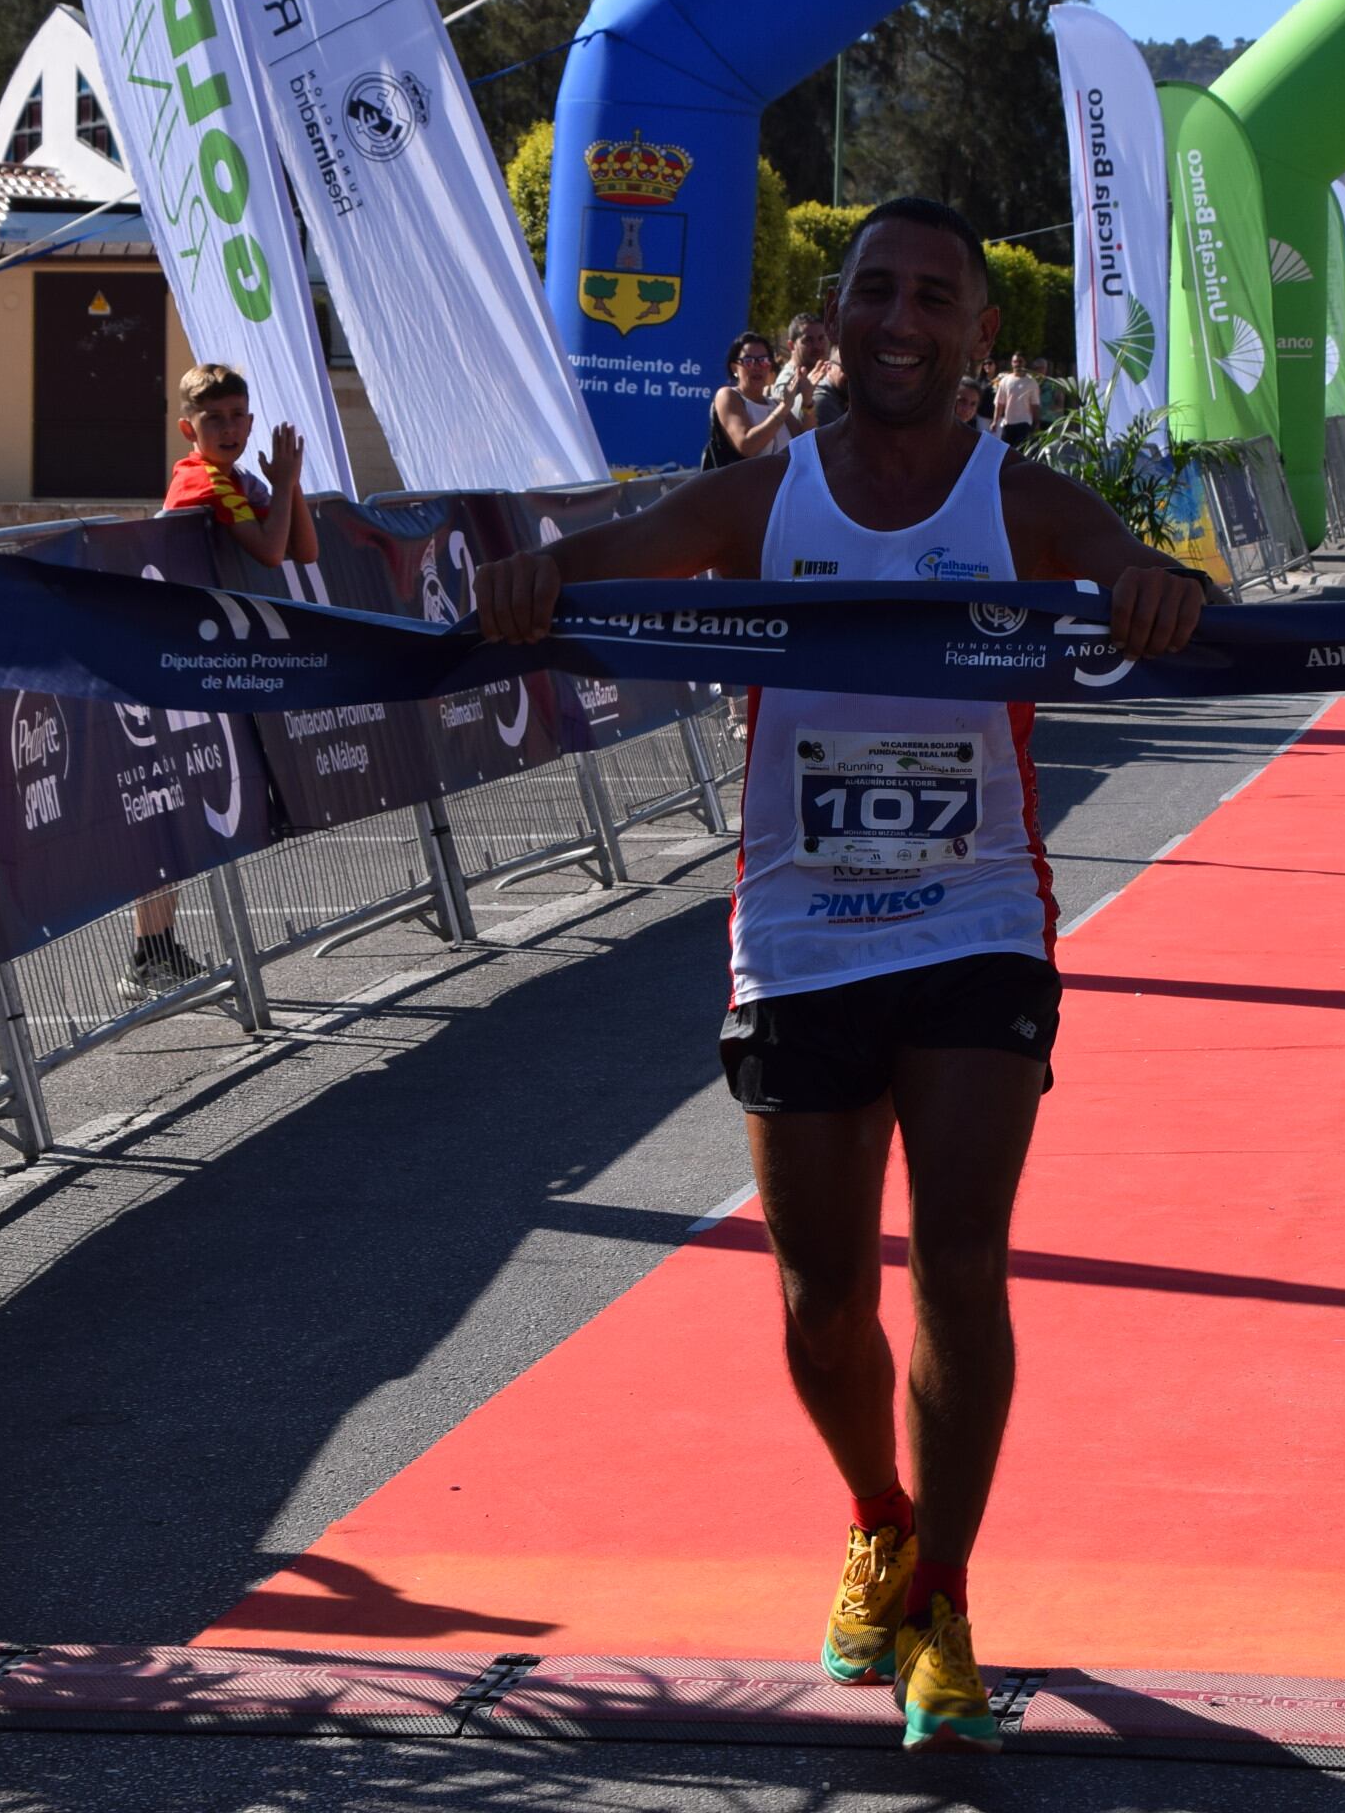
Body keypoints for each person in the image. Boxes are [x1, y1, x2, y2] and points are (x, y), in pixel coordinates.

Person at [476, 196, 1212, 1753]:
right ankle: (879, 1516)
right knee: (819, 1302)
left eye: (933, 297)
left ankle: (944, 1596)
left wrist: (1157, 587)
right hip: (800, 933)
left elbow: (1142, 576)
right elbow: (603, 562)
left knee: (959, 1264)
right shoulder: (763, 498)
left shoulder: (1026, 502)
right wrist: (541, 576)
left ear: (978, 334)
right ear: (840, 315)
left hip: (975, 927)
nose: (900, 320)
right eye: (876, 290)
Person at [125, 363, 315, 1000]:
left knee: (192, 804)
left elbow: (303, 550)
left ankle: (156, 949)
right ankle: (148, 956)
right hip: (168, 664)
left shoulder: (237, 476)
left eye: (238, 416)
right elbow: (268, 549)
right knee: (172, 806)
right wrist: (283, 483)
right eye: (214, 420)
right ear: (189, 428)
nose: (229, 428)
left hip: (201, 664)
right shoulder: (203, 480)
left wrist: (291, 483)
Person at [706, 330, 803, 467]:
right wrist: (784, 407)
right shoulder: (728, 395)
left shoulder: (776, 403)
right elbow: (747, 446)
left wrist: (808, 401)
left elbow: (805, 445)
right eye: (749, 361)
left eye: (763, 361)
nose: (757, 367)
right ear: (735, 368)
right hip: (745, 486)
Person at [988, 352, 1040, 447]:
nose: (1017, 364)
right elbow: (1000, 403)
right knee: (1005, 451)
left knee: (1020, 452)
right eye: (1015, 361)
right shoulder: (1005, 380)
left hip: (1024, 423)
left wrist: (1036, 422)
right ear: (1012, 363)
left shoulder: (1031, 382)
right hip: (1008, 423)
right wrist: (995, 421)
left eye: (1020, 361)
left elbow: (1035, 404)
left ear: (1024, 363)